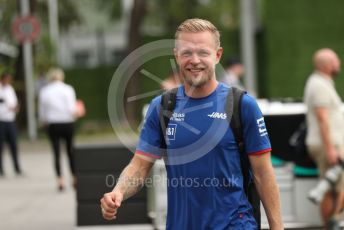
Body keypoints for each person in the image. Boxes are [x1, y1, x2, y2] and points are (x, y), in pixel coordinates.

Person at [101, 18, 283, 229]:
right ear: (177, 56)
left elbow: (263, 174)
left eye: (203, 52)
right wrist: (118, 191)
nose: (194, 60)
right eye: (187, 52)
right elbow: (139, 166)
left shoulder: (242, 106)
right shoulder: (162, 107)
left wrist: (277, 227)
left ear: (217, 55)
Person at [304, 48, 344, 228]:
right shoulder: (319, 85)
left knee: (333, 188)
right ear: (327, 65)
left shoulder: (323, 83)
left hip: (333, 145)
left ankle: (334, 221)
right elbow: (322, 119)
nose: (339, 63)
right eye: (336, 60)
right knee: (328, 190)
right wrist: (330, 149)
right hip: (329, 146)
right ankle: (331, 224)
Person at [38, 68, 77, 191]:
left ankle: (60, 180)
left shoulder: (44, 91)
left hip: (53, 123)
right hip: (67, 122)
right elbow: (72, 108)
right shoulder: (68, 89)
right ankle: (74, 177)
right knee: (70, 151)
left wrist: (44, 121)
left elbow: (42, 111)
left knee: (56, 152)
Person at [0, 73, 22, 176]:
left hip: (10, 120)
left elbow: (14, 102)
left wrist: (15, 108)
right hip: (1, 120)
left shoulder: (10, 89)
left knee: (14, 145)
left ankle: (17, 167)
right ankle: (1, 169)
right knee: (1, 146)